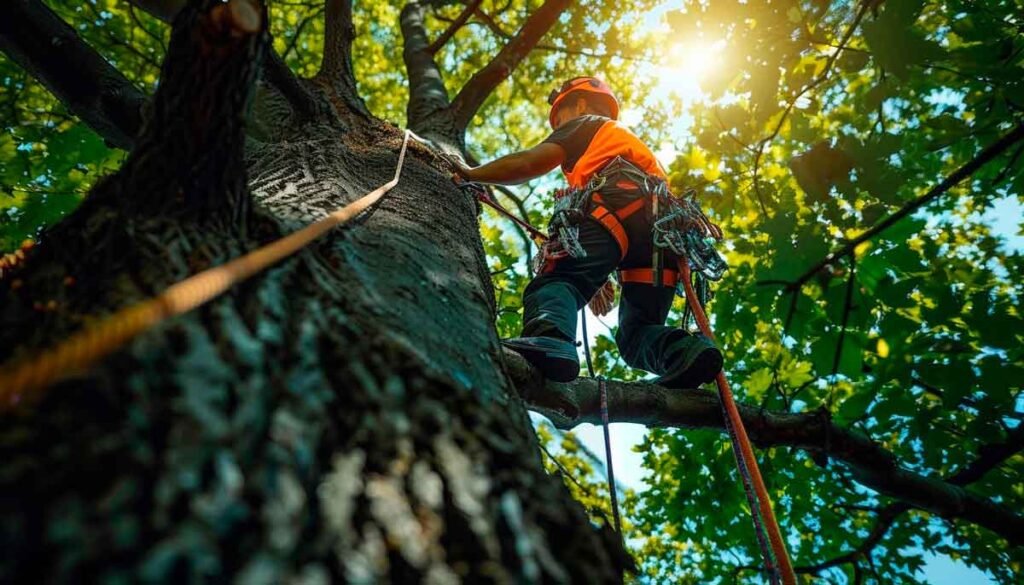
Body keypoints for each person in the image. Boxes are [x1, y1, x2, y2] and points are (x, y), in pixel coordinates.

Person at [452, 76, 722, 387]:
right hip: (661, 237)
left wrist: (471, 174)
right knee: (636, 335)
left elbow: (528, 162)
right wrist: (599, 275)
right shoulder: (623, 144)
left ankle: (549, 338)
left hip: (612, 208)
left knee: (558, 282)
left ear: (578, 104)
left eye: (559, 118)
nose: (558, 127)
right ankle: (683, 353)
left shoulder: (587, 124)